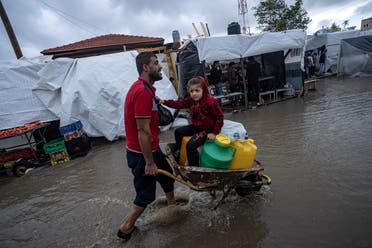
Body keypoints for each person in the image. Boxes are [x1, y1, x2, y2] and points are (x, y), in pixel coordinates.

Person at [118, 52, 176, 241]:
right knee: (145, 195)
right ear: (145, 67)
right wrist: (149, 162)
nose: (160, 67)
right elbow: (142, 131)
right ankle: (126, 228)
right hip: (142, 154)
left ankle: (172, 206)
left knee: (167, 176)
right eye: (155, 63)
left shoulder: (145, 88)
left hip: (151, 149)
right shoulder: (142, 92)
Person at [159, 76, 224, 166]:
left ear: (203, 90)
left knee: (190, 145)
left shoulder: (211, 102)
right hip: (196, 126)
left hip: (207, 130)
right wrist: (164, 102)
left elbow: (219, 117)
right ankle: (179, 152)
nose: (194, 94)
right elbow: (179, 104)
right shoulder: (191, 100)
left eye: (197, 90)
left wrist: (214, 132)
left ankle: (194, 168)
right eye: (191, 91)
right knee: (178, 132)